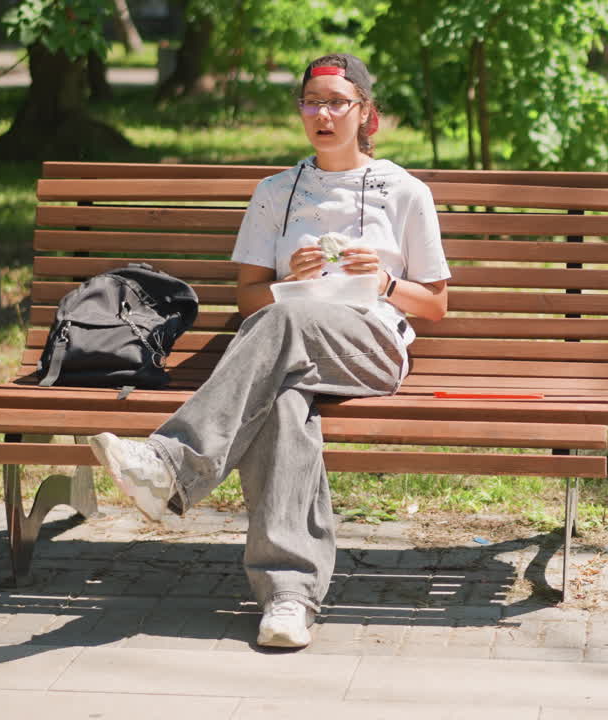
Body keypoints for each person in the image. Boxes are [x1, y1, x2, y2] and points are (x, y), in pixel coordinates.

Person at [88, 53, 451, 649]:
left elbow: (434, 304)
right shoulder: (274, 193)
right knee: (283, 403)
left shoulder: (405, 192)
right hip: (288, 351)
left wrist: (382, 281)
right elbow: (251, 300)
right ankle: (288, 598)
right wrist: (290, 280)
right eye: (312, 102)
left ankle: (174, 466)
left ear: (368, 116)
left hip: (370, 347)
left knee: (285, 329)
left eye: (338, 102)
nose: (323, 114)